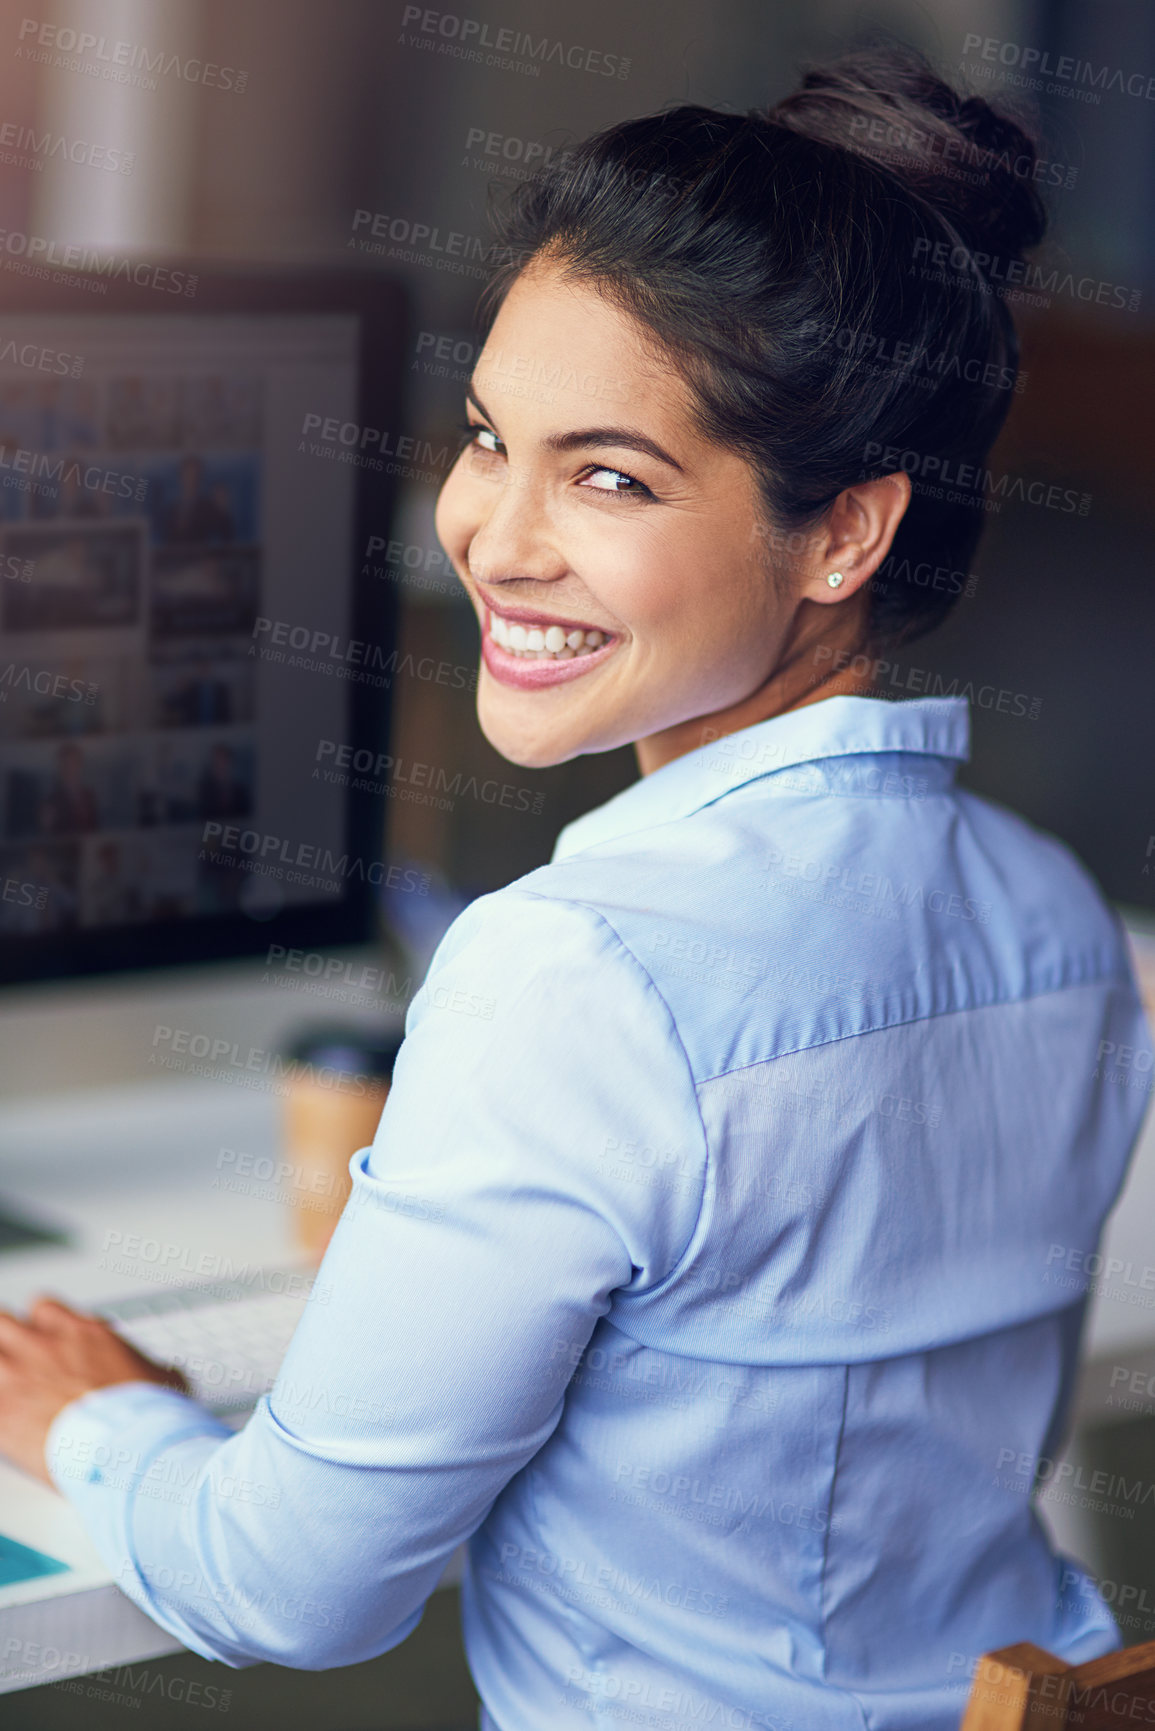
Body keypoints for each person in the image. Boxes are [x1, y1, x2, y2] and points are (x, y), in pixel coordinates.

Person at [0, 47, 1148, 1731]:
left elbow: (289, 1588)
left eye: (609, 476)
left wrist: (95, 1416)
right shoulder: (1056, 920)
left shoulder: (576, 974)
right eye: (487, 439)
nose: (493, 535)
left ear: (844, 535)